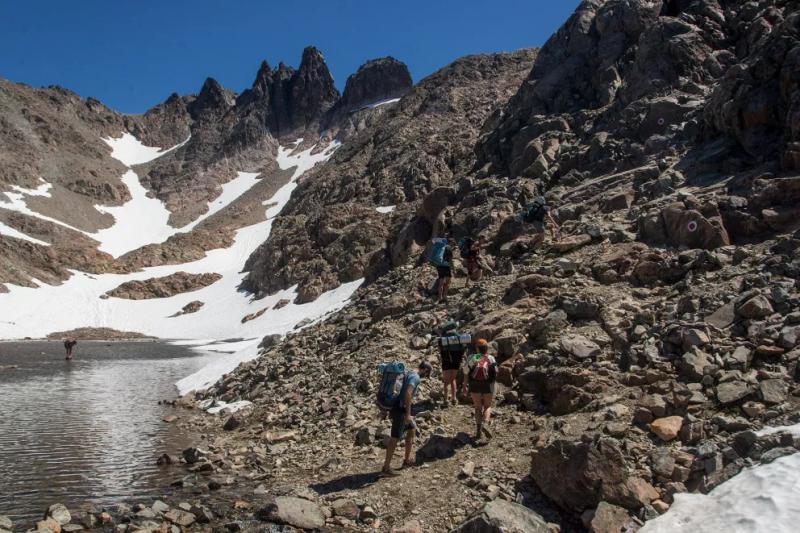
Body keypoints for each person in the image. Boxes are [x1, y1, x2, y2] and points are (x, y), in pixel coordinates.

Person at [381, 361, 433, 476]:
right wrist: (408, 414)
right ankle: (386, 468)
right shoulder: (415, 377)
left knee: (412, 430)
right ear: (424, 369)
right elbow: (408, 394)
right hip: (401, 409)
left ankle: (406, 460)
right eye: (427, 373)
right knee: (395, 438)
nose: (426, 376)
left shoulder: (409, 372)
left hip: (398, 407)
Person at [462, 339, 498, 441]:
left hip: (474, 384)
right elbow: (496, 372)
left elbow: (465, 371)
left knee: (477, 407)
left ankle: (478, 431)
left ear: (477, 348)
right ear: (486, 348)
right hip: (488, 384)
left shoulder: (474, 357)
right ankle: (485, 424)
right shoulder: (490, 358)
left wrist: (465, 386)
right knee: (487, 406)